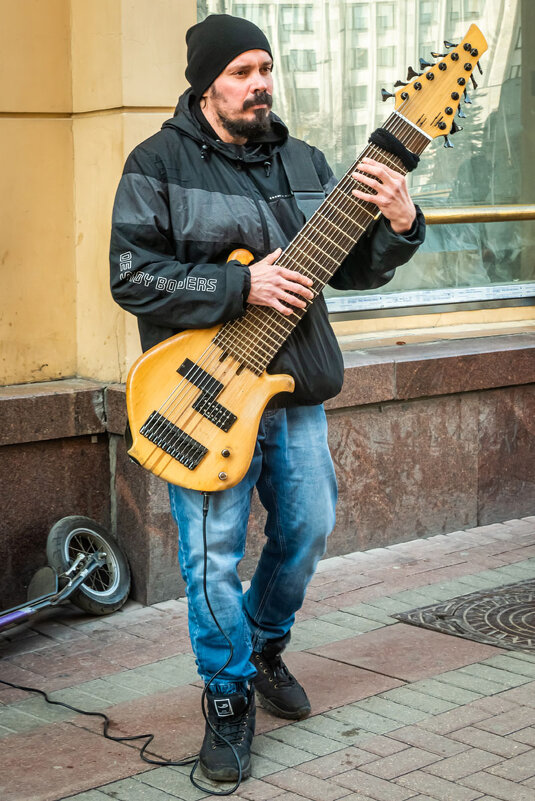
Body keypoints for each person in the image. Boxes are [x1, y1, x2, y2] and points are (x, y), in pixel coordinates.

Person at [110, 13, 425, 783]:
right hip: (203, 393)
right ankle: (226, 694)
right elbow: (130, 274)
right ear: (205, 81)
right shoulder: (155, 163)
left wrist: (400, 222)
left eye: (265, 68)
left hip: (294, 390)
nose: (259, 83)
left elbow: (346, 269)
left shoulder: (310, 161)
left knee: (311, 525)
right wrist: (237, 284)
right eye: (242, 71)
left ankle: (261, 643)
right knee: (209, 558)